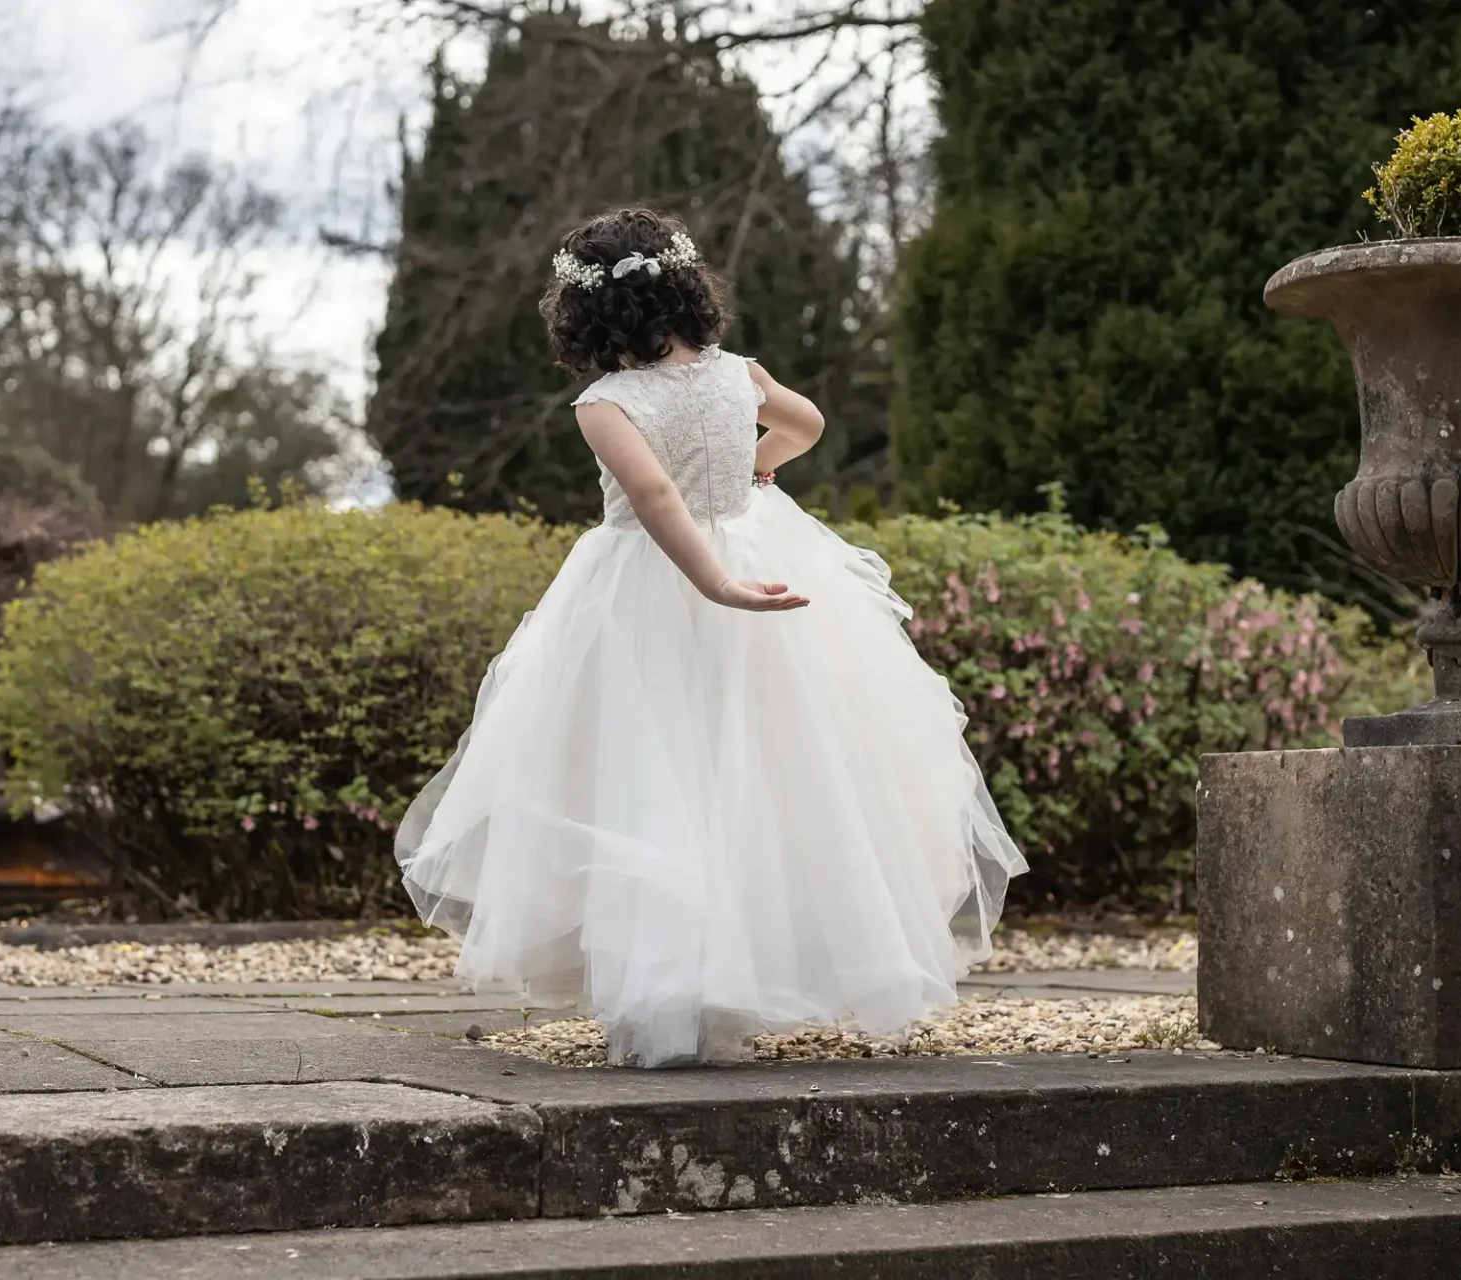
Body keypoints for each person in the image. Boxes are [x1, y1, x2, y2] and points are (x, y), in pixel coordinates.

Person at [395, 207, 1026, 1067]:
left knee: (651, 782)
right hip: (758, 550)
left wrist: (715, 585)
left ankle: (658, 1001)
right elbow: (806, 426)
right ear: (686, 287)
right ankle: (733, 980)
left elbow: (655, 501)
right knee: (759, 778)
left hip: (651, 592)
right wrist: (758, 469)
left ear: (582, 315)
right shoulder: (740, 373)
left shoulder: (607, 401)